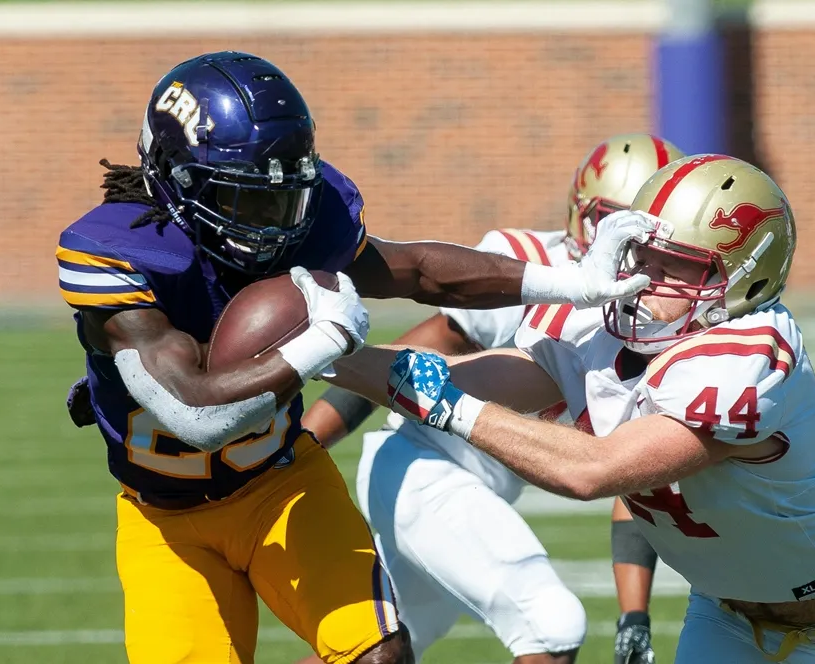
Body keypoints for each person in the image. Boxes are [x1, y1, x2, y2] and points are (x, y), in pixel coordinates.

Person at [57, 51, 648, 664]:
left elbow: (419, 270)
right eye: (247, 200)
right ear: (177, 179)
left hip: (279, 481)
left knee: (380, 655)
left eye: (284, 199)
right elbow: (197, 416)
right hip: (166, 521)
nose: (275, 223)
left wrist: (572, 281)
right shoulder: (121, 254)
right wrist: (323, 339)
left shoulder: (298, 218)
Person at [324, 154, 815, 663]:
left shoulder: (749, 350)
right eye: (642, 256)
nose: (645, 279)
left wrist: (449, 407)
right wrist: (319, 349)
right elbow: (482, 375)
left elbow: (592, 471)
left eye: (677, 267)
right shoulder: (599, 320)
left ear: (744, 281)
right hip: (727, 619)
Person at [302, 134, 683, 664]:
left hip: (473, 492)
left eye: (641, 231)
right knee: (550, 626)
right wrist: (303, 443)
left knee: (381, 650)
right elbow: (406, 365)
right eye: (610, 221)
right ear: (580, 213)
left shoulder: (660, 315)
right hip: (425, 470)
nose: (625, 248)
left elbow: (635, 468)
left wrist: (633, 616)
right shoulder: (534, 266)